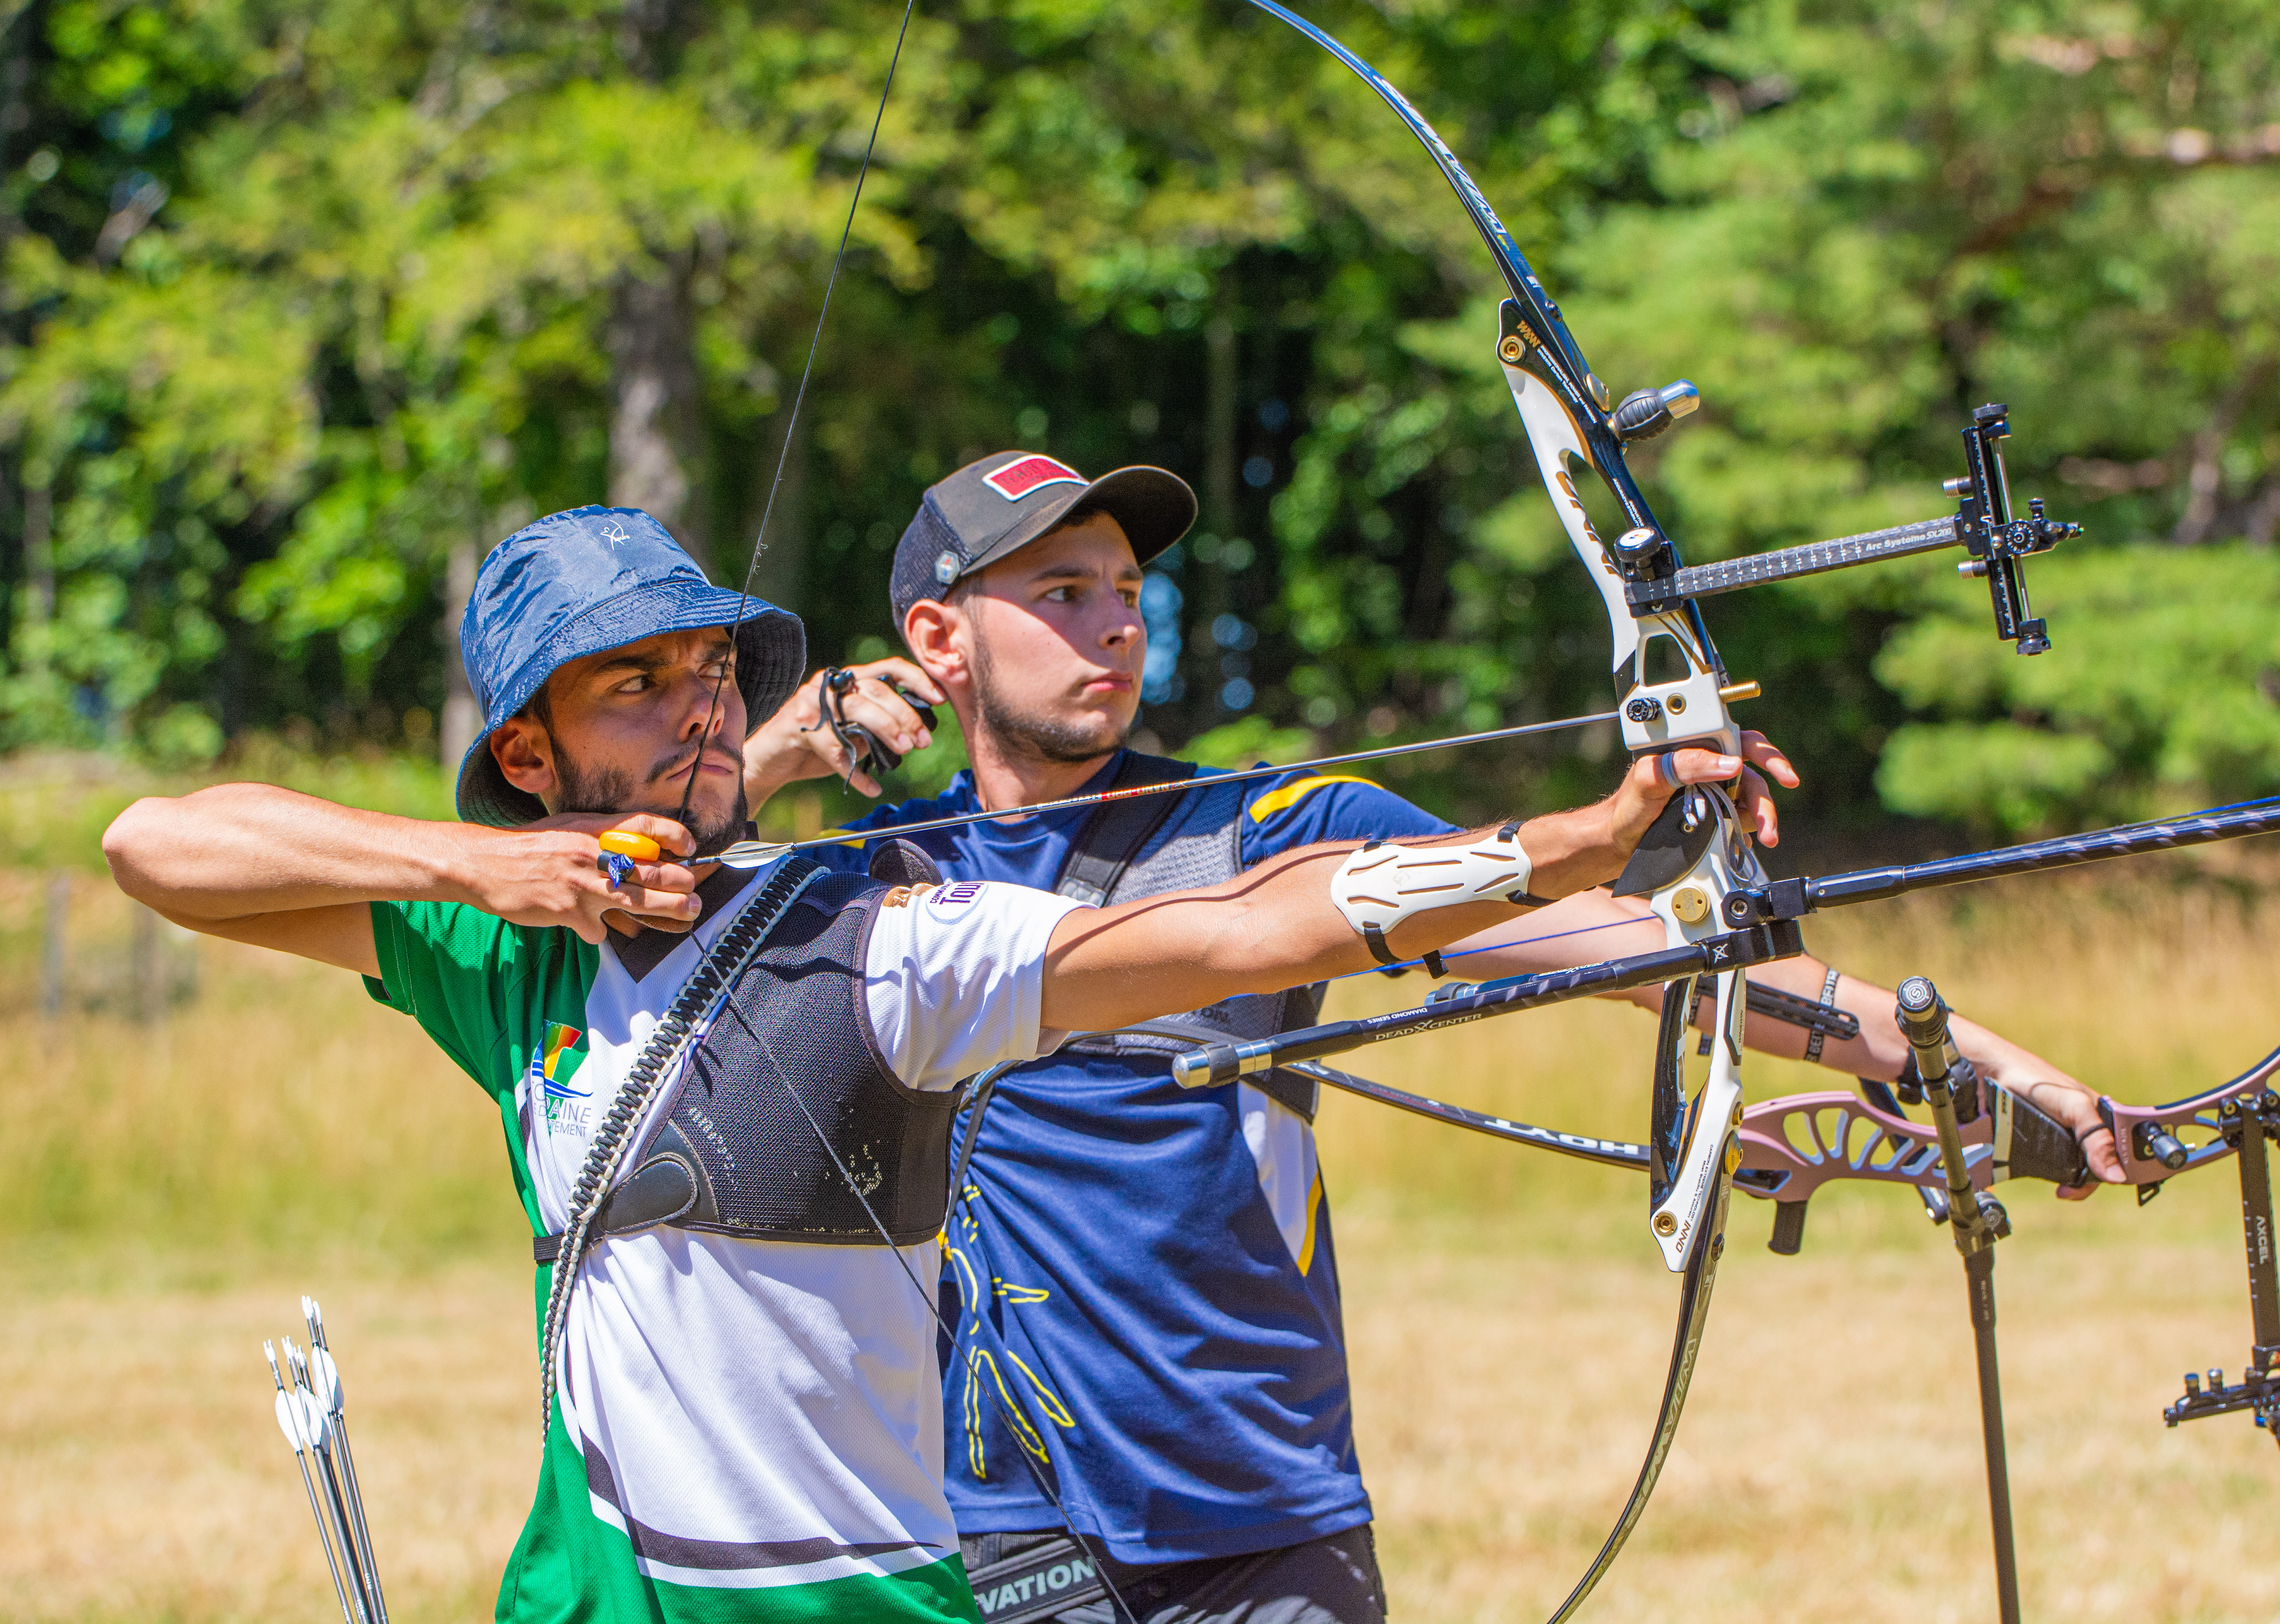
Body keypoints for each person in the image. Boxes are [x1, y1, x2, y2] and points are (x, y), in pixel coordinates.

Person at [98, 504, 1765, 1624]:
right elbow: (158, 844)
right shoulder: (500, 952)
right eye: (637, 682)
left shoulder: (881, 933)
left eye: (711, 673)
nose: (696, 710)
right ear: (531, 753)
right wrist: (472, 865)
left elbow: (1256, 929)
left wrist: (1569, 842)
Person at [737, 451, 2128, 1624]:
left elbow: (1646, 951)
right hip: (983, 1519)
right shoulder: (866, 889)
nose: (1115, 627)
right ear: (937, 640)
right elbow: (598, 924)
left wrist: (1972, 1062)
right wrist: (782, 754)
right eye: (1059, 594)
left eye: (1126, 592)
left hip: (1254, 1507)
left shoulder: (1270, 833)